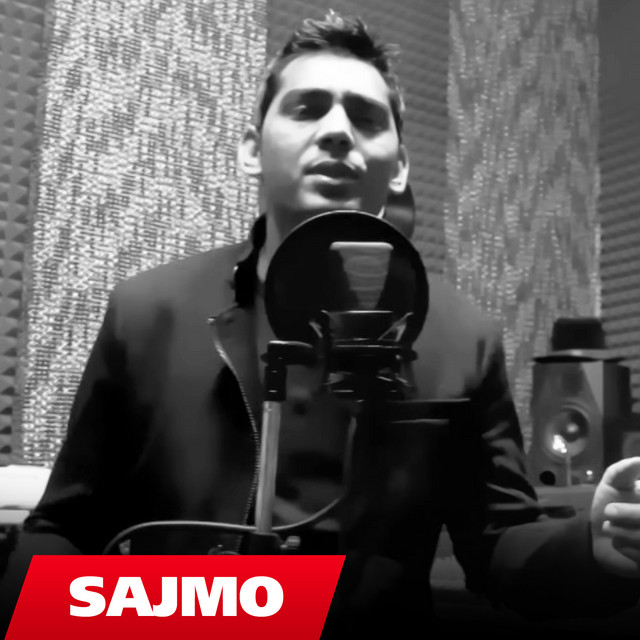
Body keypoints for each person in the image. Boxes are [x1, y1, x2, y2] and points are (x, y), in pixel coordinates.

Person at [2, 11, 640, 638]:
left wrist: (595, 548)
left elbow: (499, 542)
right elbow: (64, 530)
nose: (338, 131)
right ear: (252, 151)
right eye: (307, 109)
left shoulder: (462, 337)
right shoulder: (148, 311)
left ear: (400, 166)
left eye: (366, 118)